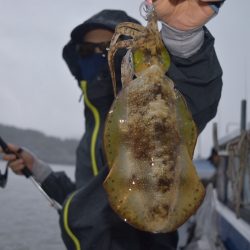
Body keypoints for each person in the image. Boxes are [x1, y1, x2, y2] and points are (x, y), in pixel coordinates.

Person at [0, 0, 225, 249]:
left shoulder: (156, 103)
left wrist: (183, 36)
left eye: (108, 48)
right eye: (86, 51)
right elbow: (86, 203)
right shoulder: (89, 136)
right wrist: (39, 170)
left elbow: (196, 94)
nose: (98, 56)